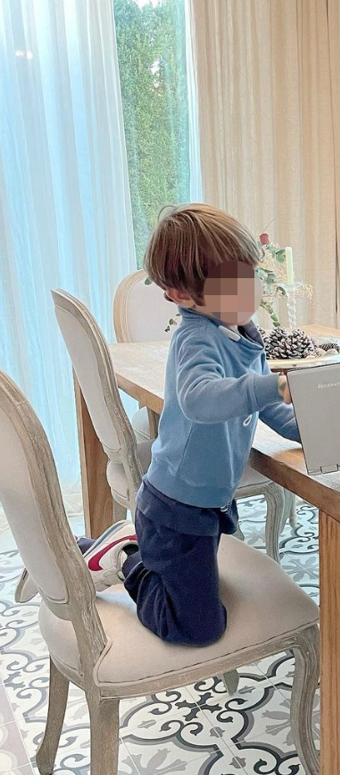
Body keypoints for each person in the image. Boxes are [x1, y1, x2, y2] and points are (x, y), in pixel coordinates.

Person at [82, 204, 297, 646]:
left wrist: (321, 427)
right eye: (230, 286)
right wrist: (272, 385)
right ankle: (126, 557)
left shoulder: (244, 336)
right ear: (181, 295)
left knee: (198, 604)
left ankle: (140, 555)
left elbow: (271, 414)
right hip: (174, 511)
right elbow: (200, 399)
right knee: (198, 628)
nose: (249, 292)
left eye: (250, 276)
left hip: (204, 508)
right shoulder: (195, 338)